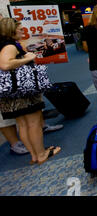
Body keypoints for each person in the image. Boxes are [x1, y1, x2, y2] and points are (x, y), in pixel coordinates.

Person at [0, 18, 61, 164]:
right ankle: (41, 154)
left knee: (22, 124)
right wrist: (27, 58)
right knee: (33, 123)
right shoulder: (10, 46)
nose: (22, 30)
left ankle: (34, 155)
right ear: (11, 30)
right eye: (19, 28)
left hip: (11, 92)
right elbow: (5, 64)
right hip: (23, 91)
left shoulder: (4, 45)